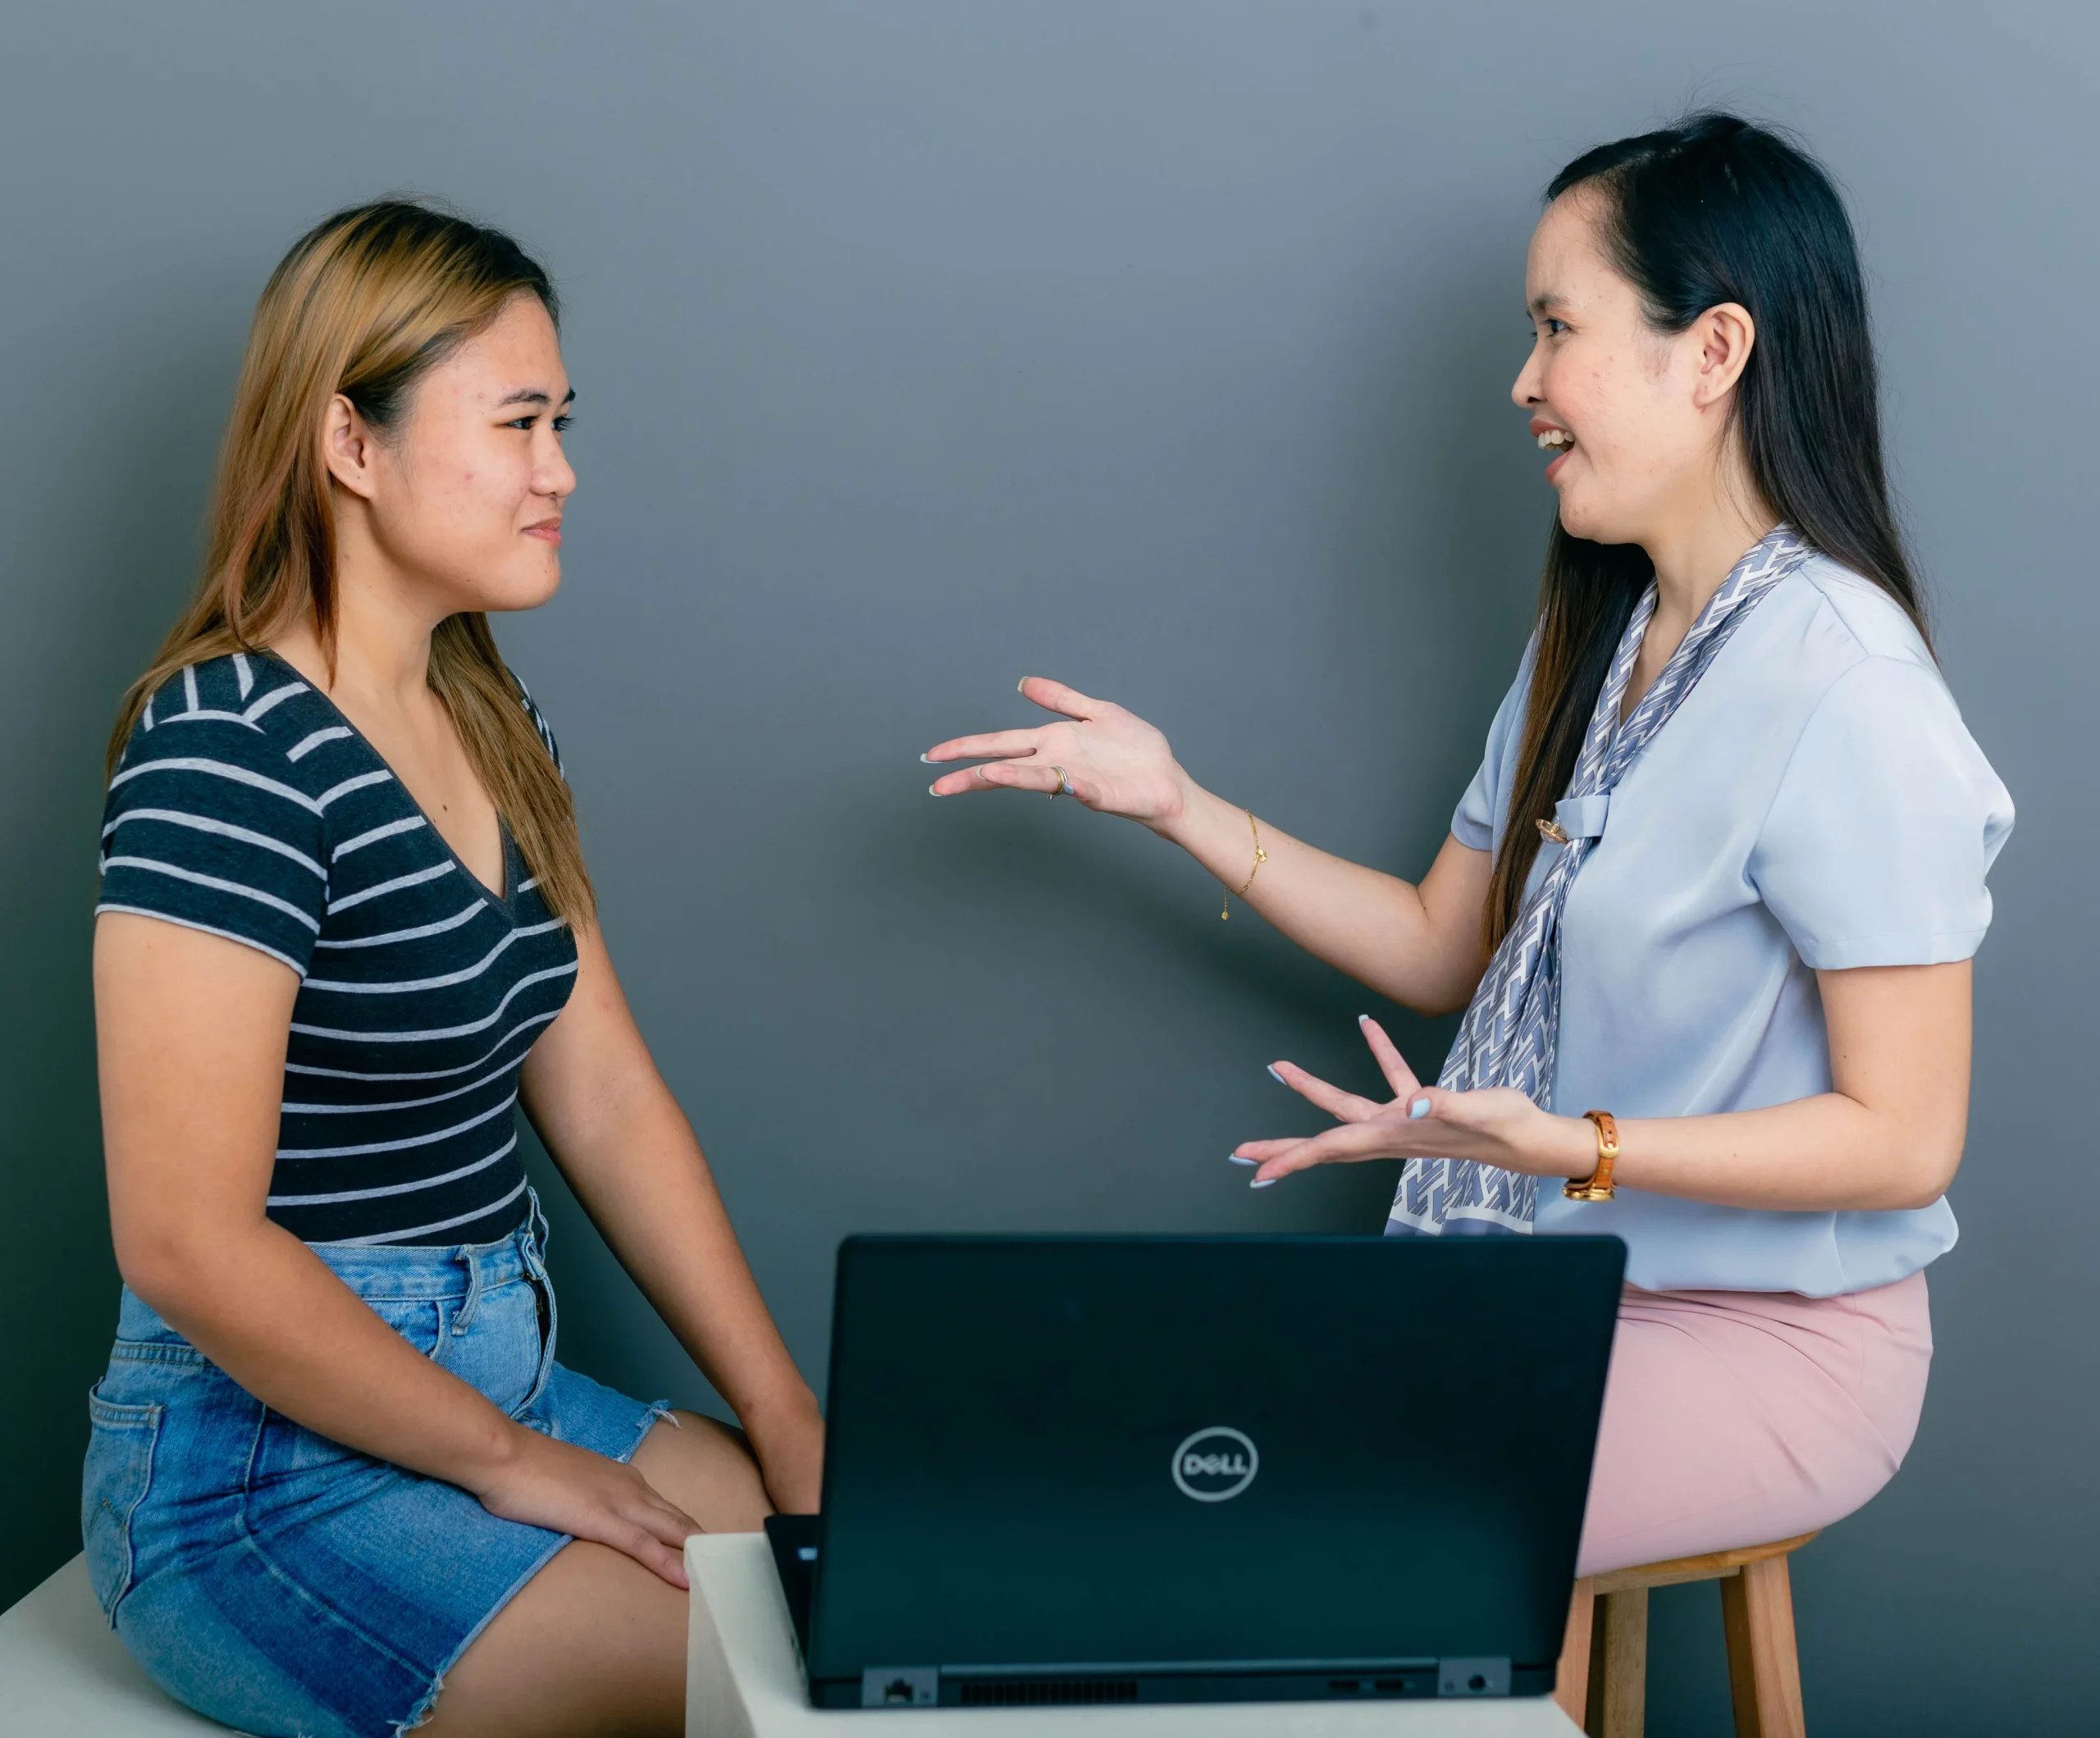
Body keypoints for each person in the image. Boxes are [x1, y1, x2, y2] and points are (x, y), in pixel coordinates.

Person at [924, 114, 2012, 1583]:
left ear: (1715, 351)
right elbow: (1447, 940)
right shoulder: (1603, 634)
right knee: (1185, 1452)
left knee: (1309, 1522)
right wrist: (1176, 801)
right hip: (1553, 1299)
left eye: (1558, 328)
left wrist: (1571, 1150)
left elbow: (1905, 1139)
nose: (1525, 381)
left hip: (1766, 1341)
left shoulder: (1851, 690)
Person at [84, 202, 821, 1738]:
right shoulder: (228, 747)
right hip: (254, 1469)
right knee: (751, 1679)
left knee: (850, 1564)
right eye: (520, 423)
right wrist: (505, 1461)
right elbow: (185, 1243)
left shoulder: (497, 727)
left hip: (509, 1368)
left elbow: (605, 1093)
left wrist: (785, 1413)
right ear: (350, 442)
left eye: (564, 423)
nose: (563, 472)